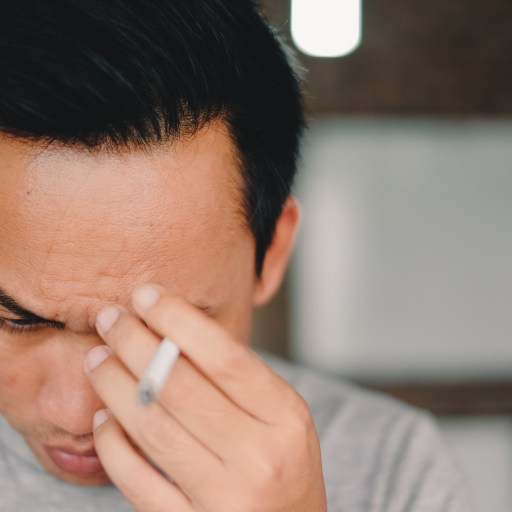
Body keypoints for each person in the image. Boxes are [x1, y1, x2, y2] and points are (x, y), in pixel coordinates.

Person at [0, 1, 470, 511]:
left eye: (157, 334)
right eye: (16, 321)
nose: (76, 414)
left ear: (273, 252)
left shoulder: (392, 468)